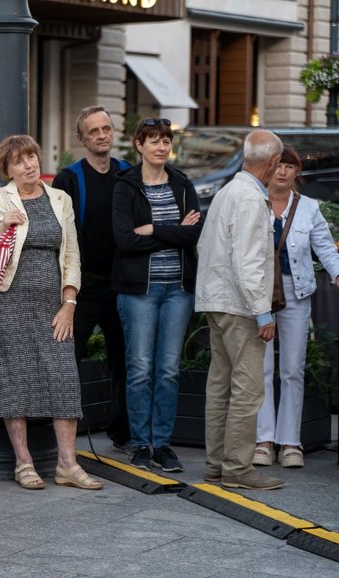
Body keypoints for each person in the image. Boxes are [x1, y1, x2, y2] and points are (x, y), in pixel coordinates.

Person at [0, 134, 101, 492]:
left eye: (32, 157)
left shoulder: (59, 199)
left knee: (64, 379)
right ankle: (24, 462)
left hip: (52, 306)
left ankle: (68, 464)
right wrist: (0, 228)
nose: (30, 165)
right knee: (14, 382)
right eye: (20, 161)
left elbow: (71, 256)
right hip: (8, 304)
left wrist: (69, 304)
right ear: (8, 169)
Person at [111, 118, 202, 472]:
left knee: (168, 371)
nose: (161, 147)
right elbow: (125, 241)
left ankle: (162, 445)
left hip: (178, 290)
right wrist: (174, 231)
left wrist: (152, 229)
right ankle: (139, 444)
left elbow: (193, 236)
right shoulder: (126, 186)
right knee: (139, 370)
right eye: (153, 141)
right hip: (139, 291)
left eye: (165, 140)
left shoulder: (181, 183)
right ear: (139, 145)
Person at [196, 129, 284, 491]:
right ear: (274, 163)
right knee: (247, 390)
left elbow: (204, 245)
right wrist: (262, 312)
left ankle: (217, 465)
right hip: (241, 307)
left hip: (217, 301)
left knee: (220, 387)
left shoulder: (227, 192)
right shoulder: (250, 198)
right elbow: (249, 262)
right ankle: (237, 469)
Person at [52, 105, 131, 453]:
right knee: (66, 360)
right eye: (94, 131)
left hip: (123, 285)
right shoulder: (69, 178)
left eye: (106, 129)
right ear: (82, 138)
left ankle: (123, 433)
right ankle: (59, 441)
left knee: (126, 361)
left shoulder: (129, 174)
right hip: (82, 287)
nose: (101, 135)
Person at [254, 145, 339, 469]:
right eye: (278, 165)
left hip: (297, 291)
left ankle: (290, 442)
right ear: (269, 167)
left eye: (290, 166)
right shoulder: (254, 202)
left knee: (292, 369)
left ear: (297, 172)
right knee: (261, 368)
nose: (283, 171)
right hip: (260, 292)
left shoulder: (308, 208)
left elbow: (325, 249)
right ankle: (263, 440)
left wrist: (337, 271)